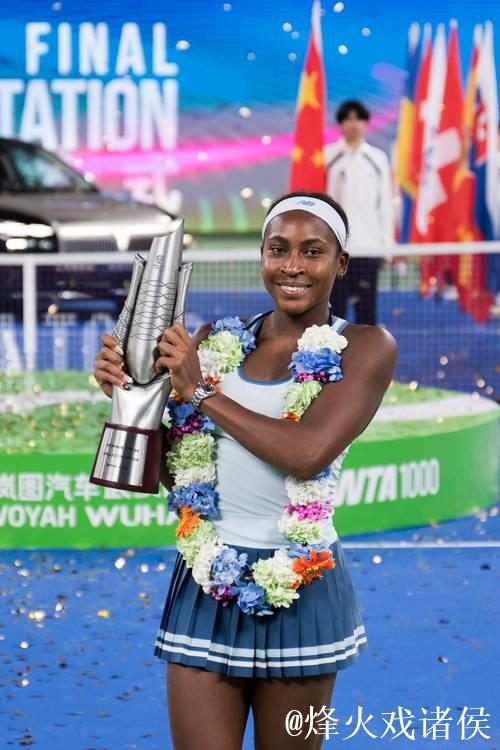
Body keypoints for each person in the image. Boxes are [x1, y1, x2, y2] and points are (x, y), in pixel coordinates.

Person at [93, 191, 398, 750]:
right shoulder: (215, 341)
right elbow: (179, 477)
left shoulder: (365, 346)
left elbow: (308, 453)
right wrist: (130, 398)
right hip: (206, 583)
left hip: (301, 588)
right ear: (261, 256)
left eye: (313, 251)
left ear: (341, 263)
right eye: (278, 249)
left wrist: (199, 391)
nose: (293, 266)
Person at [324, 100, 395, 325]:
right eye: (347, 119)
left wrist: (387, 247)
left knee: (366, 315)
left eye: (358, 119)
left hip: (368, 248)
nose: (353, 124)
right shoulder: (327, 156)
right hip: (336, 249)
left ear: (365, 123)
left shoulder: (377, 159)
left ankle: (366, 351)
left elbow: (385, 206)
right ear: (340, 124)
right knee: (334, 315)